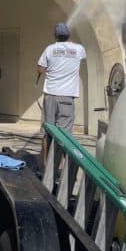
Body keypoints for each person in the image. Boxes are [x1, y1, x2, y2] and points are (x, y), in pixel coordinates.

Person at [37, 22, 86, 160]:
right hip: (67, 97)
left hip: (51, 96)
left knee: (48, 132)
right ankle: (60, 166)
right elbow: (82, 55)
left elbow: (40, 69)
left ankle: (46, 165)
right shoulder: (78, 49)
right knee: (65, 135)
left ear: (55, 36)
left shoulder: (50, 49)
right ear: (69, 35)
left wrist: (49, 68)